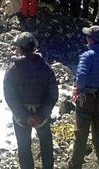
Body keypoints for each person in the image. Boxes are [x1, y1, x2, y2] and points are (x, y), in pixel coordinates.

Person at [4, 32, 58, 169]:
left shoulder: (13, 69)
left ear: (20, 49)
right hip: (42, 114)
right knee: (46, 143)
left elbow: (10, 96)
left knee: (23, 146)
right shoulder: (46, 68)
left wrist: (25, 116)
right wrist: (40, 115)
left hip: (21, 116)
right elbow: (52, 94)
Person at [69, 26, 99, 169]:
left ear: (91, 39)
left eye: (88, 36)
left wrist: (78, 88)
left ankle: (75, 164)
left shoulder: (87, 56)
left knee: (81, 134)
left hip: (87, 98)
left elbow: (81, 78)